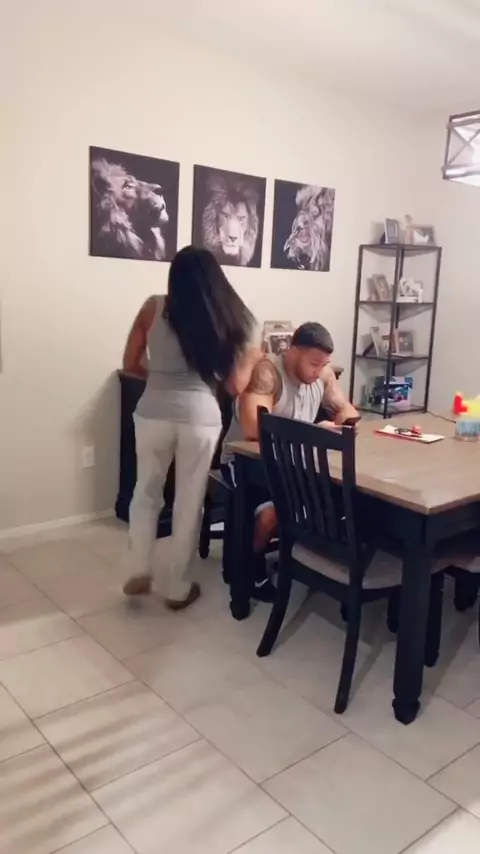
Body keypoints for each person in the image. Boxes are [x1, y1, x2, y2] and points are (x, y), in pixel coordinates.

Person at [122, 245, 261, 609]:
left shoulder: (153, 307)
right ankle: (174, 586)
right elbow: (235, 386)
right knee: (188, 499)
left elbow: (130, 362)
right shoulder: (229, 319)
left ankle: (138, 567)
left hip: (152, 412)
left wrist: (160, 379)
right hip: (199, 418)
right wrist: (254, 357)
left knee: (146, 491)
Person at [221, 321, 358, 600]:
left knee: (337, 498)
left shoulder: (323, 374)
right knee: (274, 511)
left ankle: (309, 562)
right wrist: (314, 431)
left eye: (323, 364)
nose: (319, 370)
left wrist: (344, 422)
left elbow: (346, 410)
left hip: (293, 462)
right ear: (293, 352)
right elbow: (253, 430)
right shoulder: (267, 373)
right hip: (245, 460)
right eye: (314, 363)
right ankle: (250, 567)